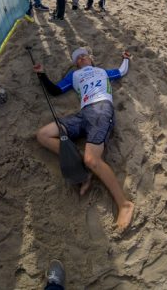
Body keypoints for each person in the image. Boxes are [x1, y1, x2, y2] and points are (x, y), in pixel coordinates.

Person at [34, 47, 134, 230]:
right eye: (77, 58)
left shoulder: (101, 71)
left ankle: (124, 204)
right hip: (83, 115)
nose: (81, 58)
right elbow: (55, 90)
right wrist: (42, 75)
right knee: (43, 134)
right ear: (75, 64)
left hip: (102, 109)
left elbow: (121, 71)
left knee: (92, 159)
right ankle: (81, 164)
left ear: (91, 59)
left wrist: (125, 58)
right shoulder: (74, 76)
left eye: (84, 55)